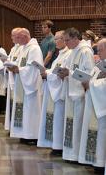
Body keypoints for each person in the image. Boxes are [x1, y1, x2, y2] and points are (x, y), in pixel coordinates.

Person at [58, 27, 95, 162]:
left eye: (67, 40)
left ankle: (77, 155)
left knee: (78, 125)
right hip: (71, 93)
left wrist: (70, 74)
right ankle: (70, 154)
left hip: (80, 95)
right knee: (70, 124)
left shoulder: (85, 52)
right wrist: (63, 73)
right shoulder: (73, 52)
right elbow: (69, 68)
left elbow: (89, 74)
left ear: (75, 38)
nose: (66, 43)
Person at [37, 30, 71, 155]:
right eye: (55, 39)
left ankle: (58, 146)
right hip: (54, 90)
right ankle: (55, 144)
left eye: (58, 39)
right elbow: (54, 69)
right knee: (55, 118)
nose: (55, 41)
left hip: (60, 93)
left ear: (65, 39)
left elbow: (60, 72)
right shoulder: (60, 54)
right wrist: (46, 71)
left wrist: (47, 74)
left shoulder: (68, 54)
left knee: (59, 118)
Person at [7, 28, 43, 144]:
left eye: (18, 37)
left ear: (25, 36)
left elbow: (34, 68)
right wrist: (12, 67)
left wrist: (18, 70)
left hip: (31, 86)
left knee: (31, 110)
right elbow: (19, 63)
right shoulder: (23, 48)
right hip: (22, 83)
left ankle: (32, 135)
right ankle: (24, 134)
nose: (16, 40)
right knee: (23, 110)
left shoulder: (34, 49)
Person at [78, 38, 106, 173]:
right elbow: (93, 79)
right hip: (94, 104)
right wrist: (86, 81)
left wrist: (91, 85)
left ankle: (101, 163)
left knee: (102, 134)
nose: (98, 53)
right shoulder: (100, 64)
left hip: (102, 108)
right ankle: (96, 162)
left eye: (100, 50)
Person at [5, 27, 22, 130]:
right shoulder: (13, 48)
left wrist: (12, 66)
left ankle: (16, 128)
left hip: (19, 79)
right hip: (12, 79)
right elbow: (10, 60)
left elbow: (19, 64)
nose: (11, 38)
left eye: (13, 36)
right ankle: (12, 127)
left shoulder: (22, 48)